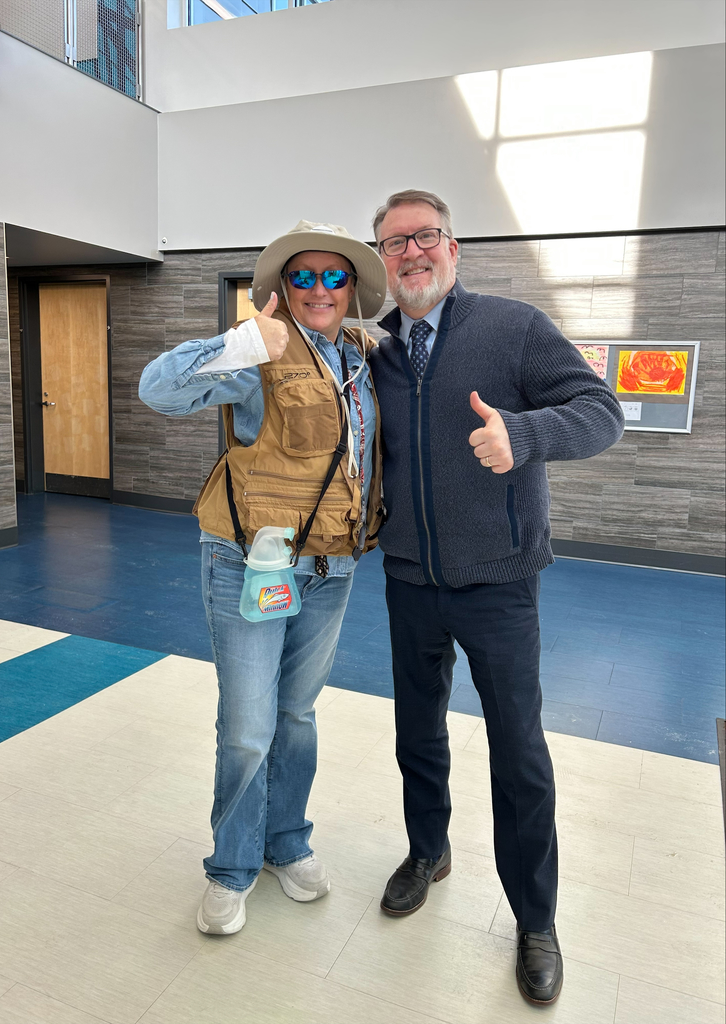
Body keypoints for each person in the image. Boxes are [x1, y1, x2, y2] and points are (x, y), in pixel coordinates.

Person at [368, 190, 624, 1005]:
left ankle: (535, 919)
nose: (410, 253)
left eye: (424, 236)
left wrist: (526, 435)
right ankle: (427, 850)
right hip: (409, 577)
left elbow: (601, 411)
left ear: (453, 245)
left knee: (519, 753)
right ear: (382, 260)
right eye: (393, 243)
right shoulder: (375, 351)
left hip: (502, 583)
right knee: (418, 731)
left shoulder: (513, 328)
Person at [139, 221, 387, 935]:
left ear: (350, 290)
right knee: (248, 726)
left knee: (297, 716)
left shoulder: (366, 358)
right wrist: (244, 341)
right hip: (248, 562)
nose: (317, 289)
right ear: (281, 289)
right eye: (301, 276)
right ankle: (231, 866)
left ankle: (287, 842)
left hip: (333, 567)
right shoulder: (258, 353)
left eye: (332, 277)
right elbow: (158, 389)